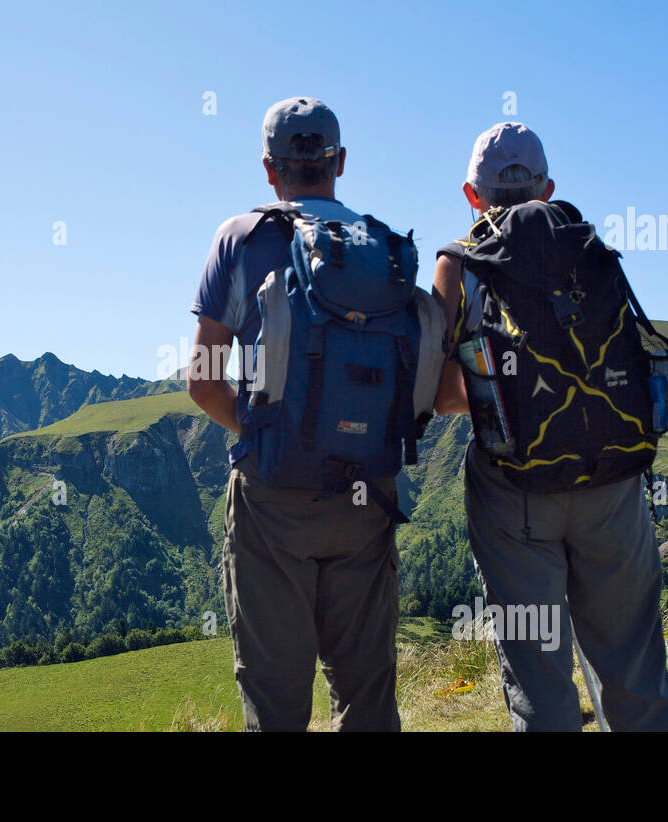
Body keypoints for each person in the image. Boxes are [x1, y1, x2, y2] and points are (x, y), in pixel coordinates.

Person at [432, 122, 668, 732]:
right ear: (548, 188)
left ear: (472, 195)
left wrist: (513, 400)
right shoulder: (591, 251)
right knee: (635, 668)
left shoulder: (459, 264)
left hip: (516, 492)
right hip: (614, 482)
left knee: (538, 676)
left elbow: (440, 395)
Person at [188, 97, 403, 731]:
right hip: (369, 491)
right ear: (339, 162)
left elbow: (203, 384)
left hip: (274, 495)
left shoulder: (242, 238)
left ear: (268, 168)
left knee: (276, 698)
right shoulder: (382, 246)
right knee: (367, 694)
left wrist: (268, 431)